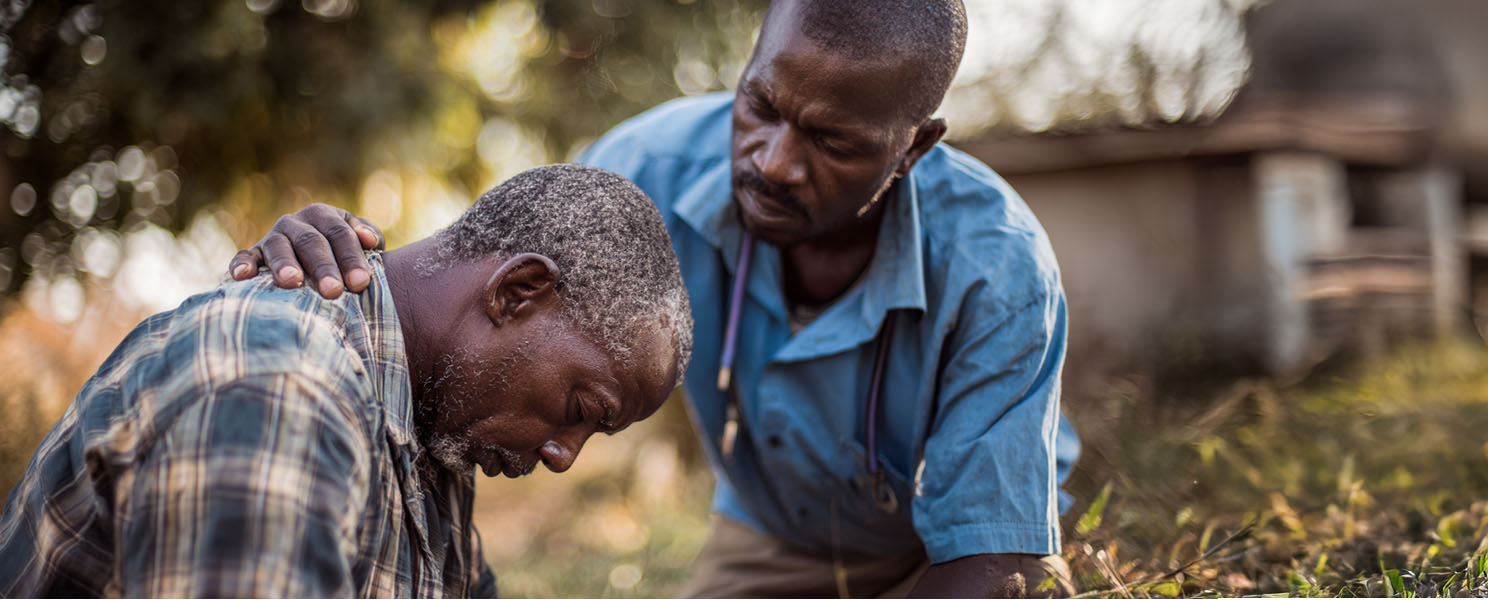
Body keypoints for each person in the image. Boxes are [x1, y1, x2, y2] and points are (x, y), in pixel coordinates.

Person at [226, 0, 1081, 597]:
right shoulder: (646, 171)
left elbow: (996, 559)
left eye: (831, 140)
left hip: (950, 547)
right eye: (761, 105)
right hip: (772, 529)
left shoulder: (997, 270)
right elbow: (471, 284)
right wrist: (336, 255)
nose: (775, 161)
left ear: (914, 148)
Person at [0, 165, 693, 598]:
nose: (564, 456)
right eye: (581, 408)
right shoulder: (278, 384)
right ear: (518, 292)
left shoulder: (434, 429)